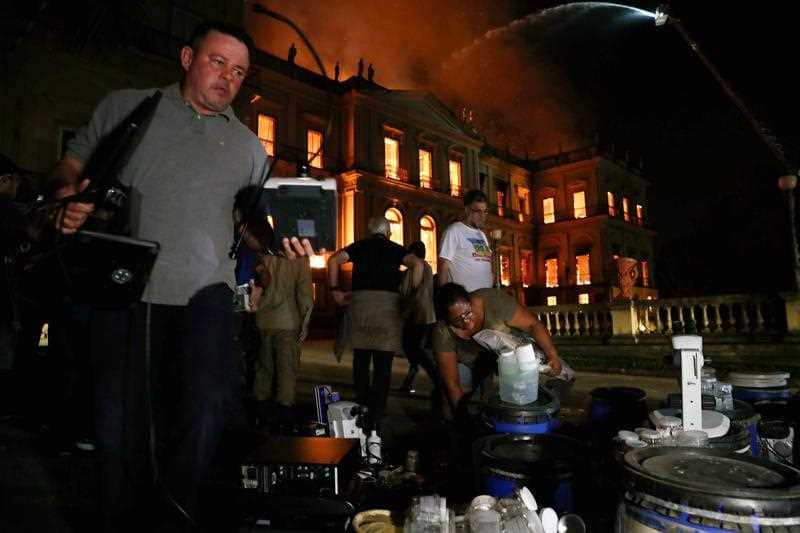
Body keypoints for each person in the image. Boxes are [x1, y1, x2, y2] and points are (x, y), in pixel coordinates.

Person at [49, 21, 312, 530]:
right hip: (125, 288)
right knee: (117, 424)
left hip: (205, 294)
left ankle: (174, 512)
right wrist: (65, 199)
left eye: (239, 72)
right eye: (219, 62)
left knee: (210, 405)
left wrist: (282, 243)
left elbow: (252, 224)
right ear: (189, 58)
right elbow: (69, 165)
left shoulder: (248, 148)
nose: (228, 78)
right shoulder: (129, 106)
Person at [327, 216, 423, 429]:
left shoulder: (359, 246)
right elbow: (417, 264)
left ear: (370, 232)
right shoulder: (395, 248)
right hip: (387, 308)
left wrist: (335, 291)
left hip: (361, 305)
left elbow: (333, 260)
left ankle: (362, 404)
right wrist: (411, 293)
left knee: (360, 360)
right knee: (383, 364)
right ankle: (378, 409)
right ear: (388, 232)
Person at [233, 187, 314, 429]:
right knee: (287, 370)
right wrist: (306, 321)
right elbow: (305, 294)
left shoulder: (261, 252)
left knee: (263, 367)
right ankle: (283, 415)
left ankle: (260, 413)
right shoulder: (299, 257)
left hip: (263, 318)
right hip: (288, 320)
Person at [432, 282, 562, 415]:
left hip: (508, 354)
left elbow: (532, 325)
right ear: (446, 320)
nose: (466, 322)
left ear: (470, 301)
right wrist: (464, 420)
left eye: (468, 313)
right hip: (467, 361)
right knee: (451, 401)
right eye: (457, 320)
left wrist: (552, 355)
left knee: (532, 389)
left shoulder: (493, 301)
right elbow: (452, 383)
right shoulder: (442, 333)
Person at [399, 241, 438, 395]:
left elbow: (409, 291)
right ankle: (411, 379)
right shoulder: (427, 267)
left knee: (414, 348)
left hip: (417, 314)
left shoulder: (416, 267)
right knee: (414, 348)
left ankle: (437, 378)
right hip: (424, 313)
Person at [437, 189, 494, 291]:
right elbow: (443, 266)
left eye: (485, 211)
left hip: (486, 297)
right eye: (478, 211)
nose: (482, 216)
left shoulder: (482, 235)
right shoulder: (454, 231)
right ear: (467, 210)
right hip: (466, 298)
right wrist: (445, 297)